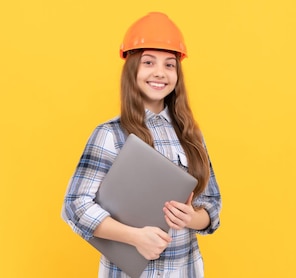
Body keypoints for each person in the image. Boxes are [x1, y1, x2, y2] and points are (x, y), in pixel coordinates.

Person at [61, 12, 221, 278]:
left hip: (186, 270)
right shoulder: (110, 134)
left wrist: (191, 219)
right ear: (132, 68)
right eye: (149, 62)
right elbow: (75, 206)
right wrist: (135, 237)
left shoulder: (191, 135)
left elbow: (212, 204)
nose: (160, 73)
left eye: (170, 65)